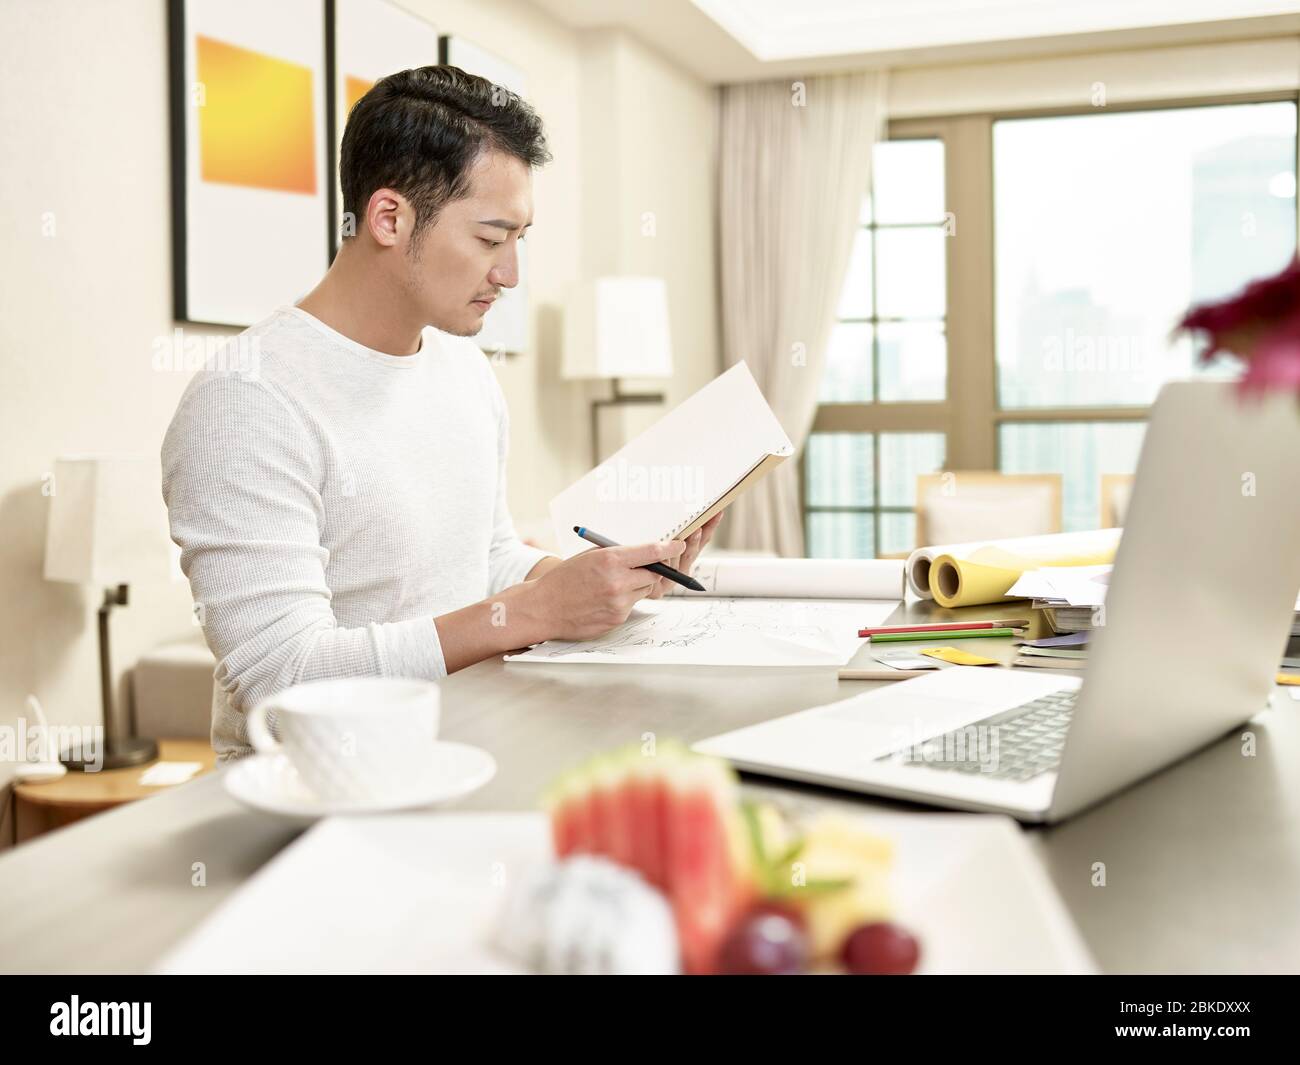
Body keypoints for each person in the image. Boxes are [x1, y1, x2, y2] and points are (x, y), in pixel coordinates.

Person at [161, 65, 719, 762]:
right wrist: (532, 612)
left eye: (521, 238)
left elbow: (482, 559)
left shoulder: (463, 370)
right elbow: (283, 676)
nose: (511, 273)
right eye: (491, 239)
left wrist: (601, 579)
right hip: (319, 798)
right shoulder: (248, 400)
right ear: (389, 217)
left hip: (466, 751)